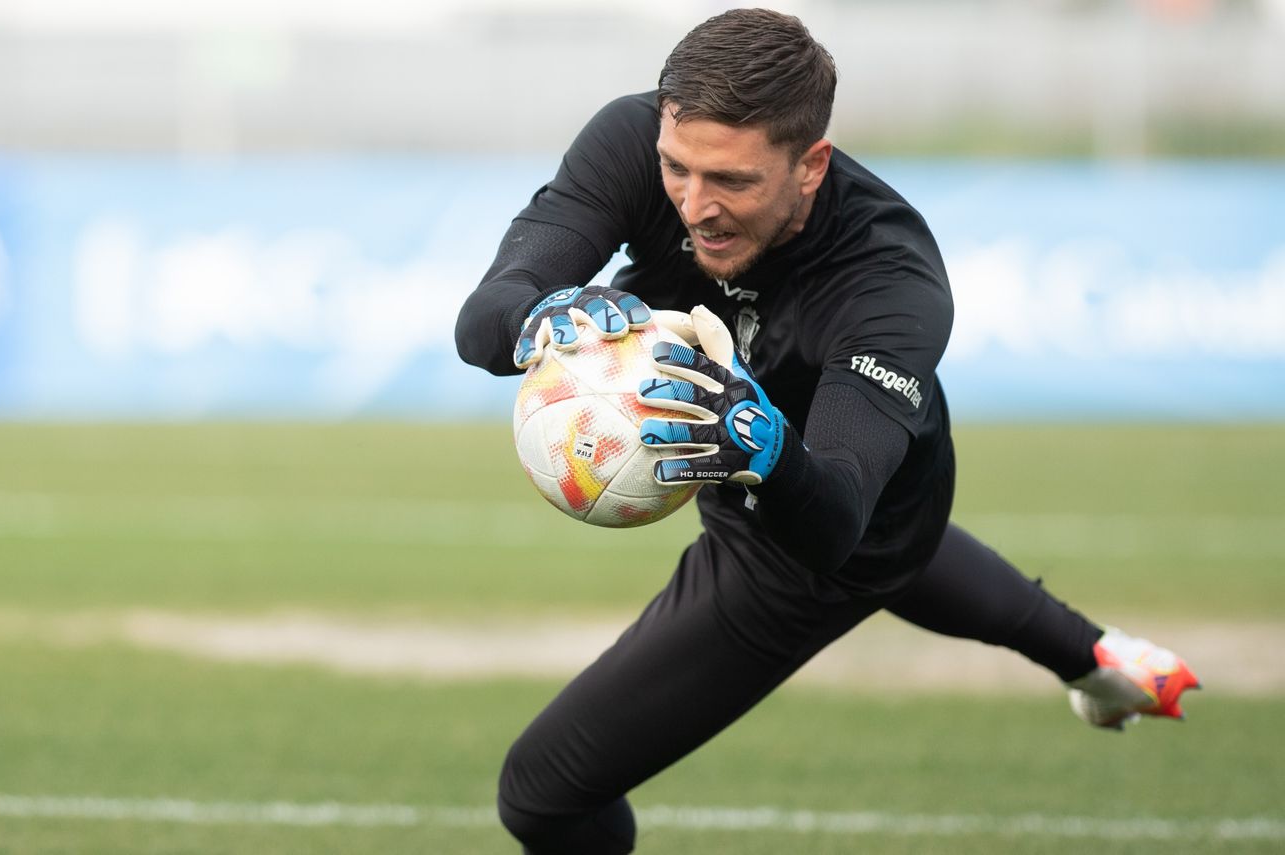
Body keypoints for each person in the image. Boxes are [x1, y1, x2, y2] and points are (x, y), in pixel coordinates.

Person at [453, 9, 1200, 855]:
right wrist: (536, 314)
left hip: (831, 516)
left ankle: (1090, 656)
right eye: (676, 169)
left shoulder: (892, 279)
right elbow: (484, 319)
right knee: (906, 554)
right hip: (812, 484)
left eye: (731, 181)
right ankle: (1104, 660)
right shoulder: (635, 139)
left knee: (542, 795)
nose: (695, 206)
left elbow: (835, 524)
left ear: (810, 165)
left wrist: (767, 448)